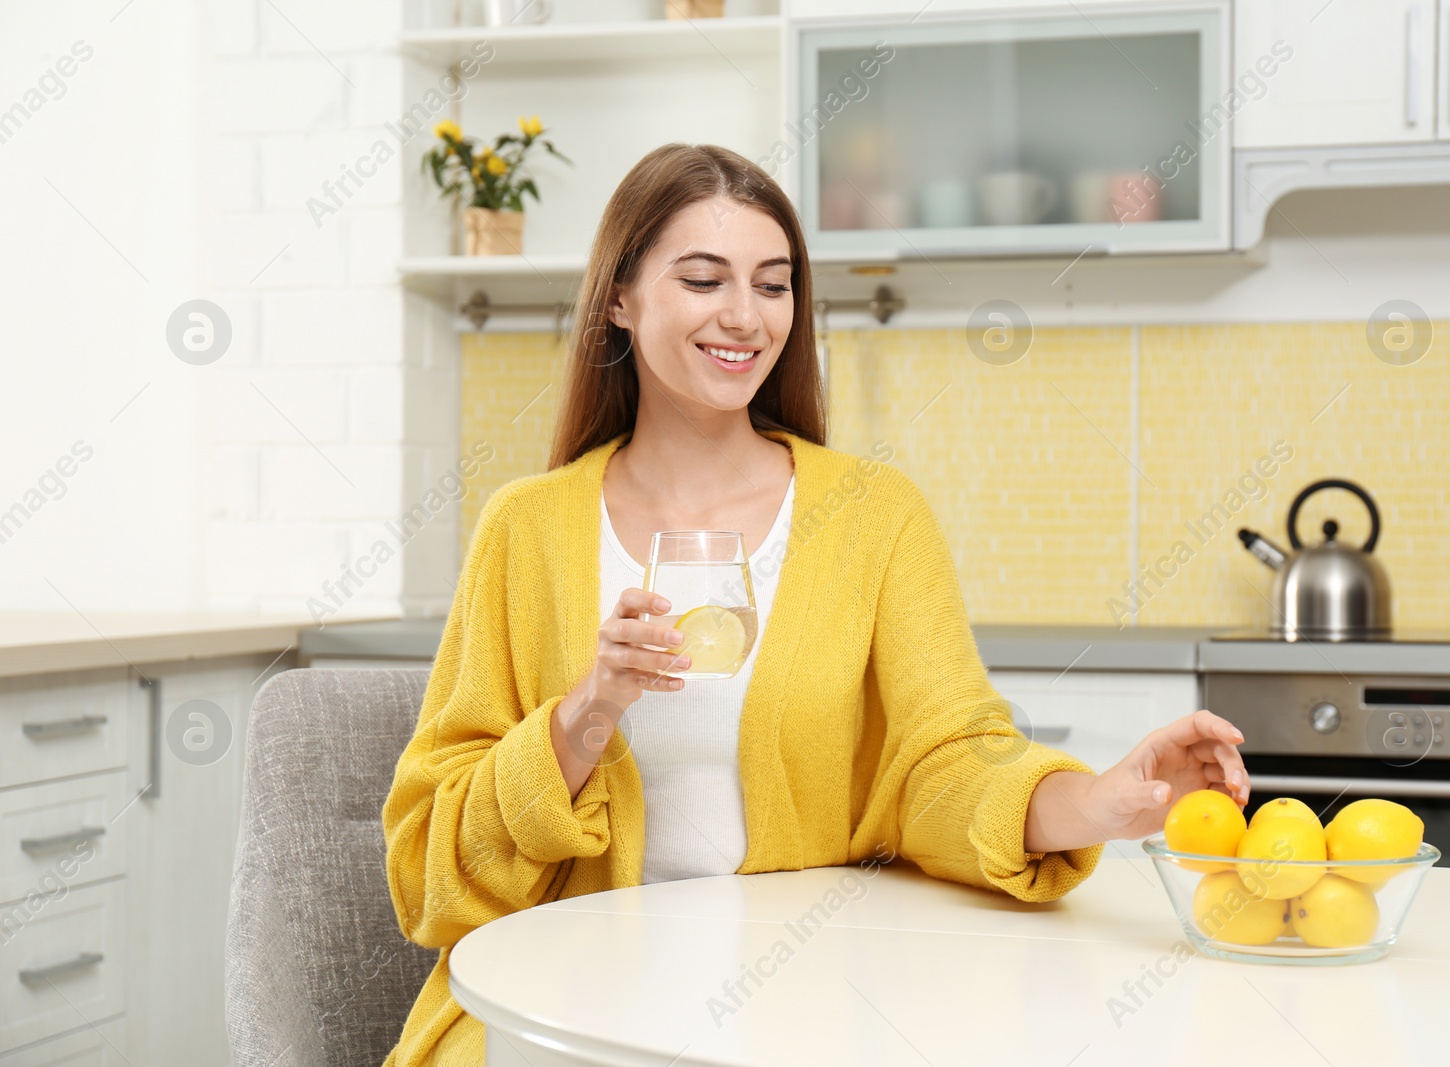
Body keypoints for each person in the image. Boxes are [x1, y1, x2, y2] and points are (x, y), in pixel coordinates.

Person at [380, 143, 1251, 1066]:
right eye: (705, 279)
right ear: (620, 298)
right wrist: (584, 717)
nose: (745, 317)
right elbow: (426, 873)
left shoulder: (873, 515)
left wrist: (1099, 804)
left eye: (773, 284)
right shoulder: (527, 527)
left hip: (799, 1004)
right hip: (560, 1010)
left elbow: (946, 766)